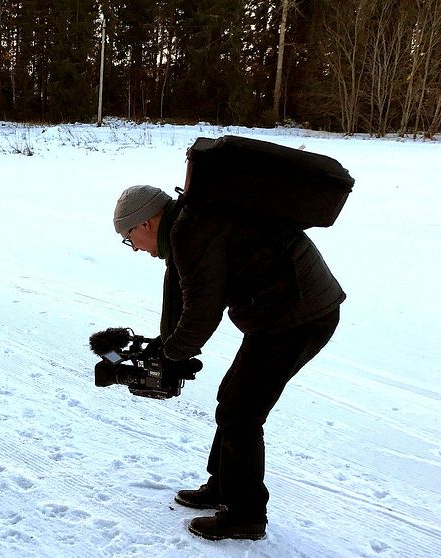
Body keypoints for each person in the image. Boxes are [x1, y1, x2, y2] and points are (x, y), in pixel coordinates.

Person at [113, 184, 344, 541]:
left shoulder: (191, 232)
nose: (135, 249)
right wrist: (169, 347)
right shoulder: (188, 225)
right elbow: (197, 302)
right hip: (280, 311)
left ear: (144, 223)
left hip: (299, 314)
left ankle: (245, 515)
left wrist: (170, 354)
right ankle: (222, 486)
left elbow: (201, 313)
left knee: (242, 412)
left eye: (129, 239)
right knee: (232, 399)